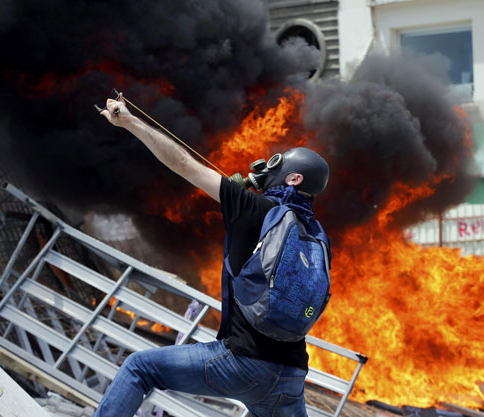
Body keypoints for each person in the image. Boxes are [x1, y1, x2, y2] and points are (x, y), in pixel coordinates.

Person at [94, 93, 330, 417]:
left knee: (139, 368)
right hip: (289, 376)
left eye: (277, 163)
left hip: (241, 362)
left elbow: (182, 164)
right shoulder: (316, 235)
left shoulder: (252, 207)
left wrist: (129, 121)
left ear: (294, 178)